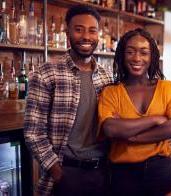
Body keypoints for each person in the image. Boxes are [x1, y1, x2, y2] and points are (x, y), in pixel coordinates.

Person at [24, 5, 114, 196]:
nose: (86, 37)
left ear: (99, 34)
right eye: (78, 29)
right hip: (66, 173)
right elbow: (33, 132)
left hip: (103, 173)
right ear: (67, 32)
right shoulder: (47, 74)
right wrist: (57, 172)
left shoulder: (107, 77)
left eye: (92, 30)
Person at [98, 28, 171, 196]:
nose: (137, 58)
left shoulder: (167, 88)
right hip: (123, 175)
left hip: (160, 170)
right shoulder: (111, 92)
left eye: (143, 52)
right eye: (130, 52)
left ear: (152, 57)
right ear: (122, 56)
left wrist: (132, 137)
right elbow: (110, 129)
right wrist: (155, 120)